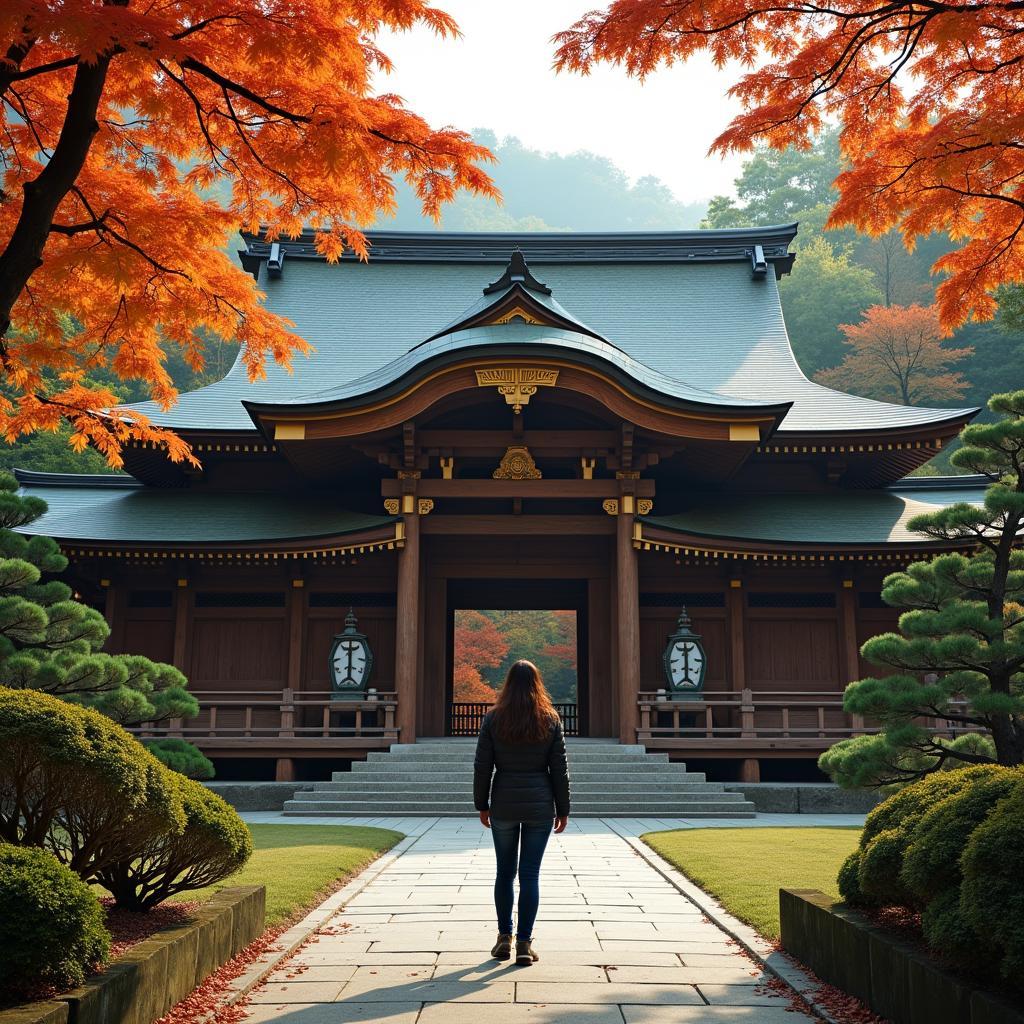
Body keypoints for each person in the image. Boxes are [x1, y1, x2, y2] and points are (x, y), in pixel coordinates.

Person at [473, 659, 571, 966]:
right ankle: (525, 944)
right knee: (530, 875)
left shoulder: (494, 718)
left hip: (503, 800)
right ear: (537, 683)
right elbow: (559, 770)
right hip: (540, 804)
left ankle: (504, 937)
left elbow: (482, 766)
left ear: (508, 684)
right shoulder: (550, 719)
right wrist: (563, 808)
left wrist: (482, 804)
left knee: (505, 872)